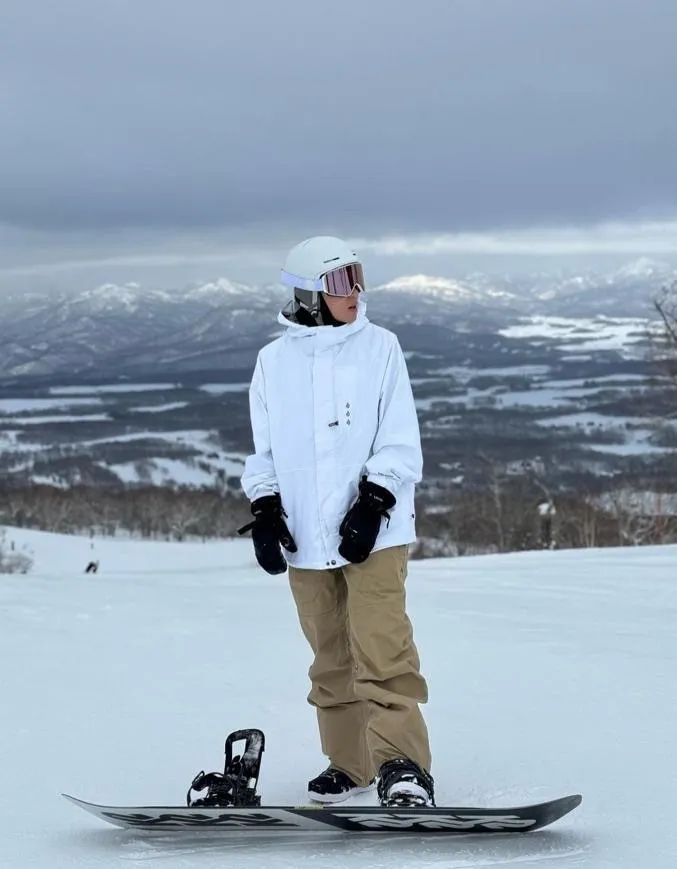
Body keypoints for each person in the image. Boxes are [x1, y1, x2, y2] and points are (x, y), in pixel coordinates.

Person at [239, 236, 434, 808]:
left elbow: (400, 437)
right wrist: (265, 508)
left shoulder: (380, 348)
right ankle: (350, 764)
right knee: (330, 657)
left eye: (358, 276)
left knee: (383, 650)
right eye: (343, 281)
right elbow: (264, 451)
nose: (358, 292)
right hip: (305, 536)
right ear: (309, 293)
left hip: (376, 530)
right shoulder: (273, 362)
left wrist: (373, 502)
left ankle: (402, 766)